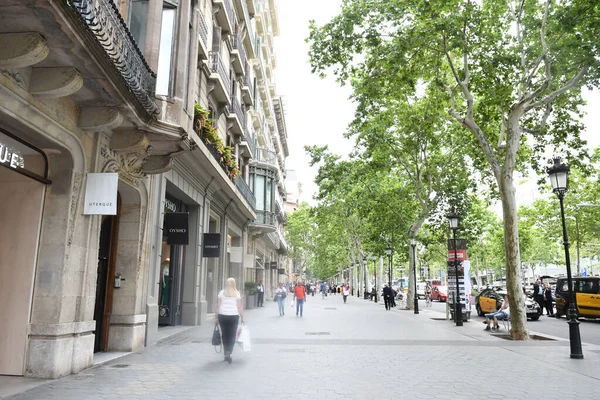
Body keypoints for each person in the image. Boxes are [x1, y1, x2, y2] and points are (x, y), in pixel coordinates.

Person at [216, 277, 245, 364]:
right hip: (233, 316)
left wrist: (216, 317)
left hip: (222, 315)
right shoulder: (237, 293)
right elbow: (239, 307)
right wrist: (243, 317)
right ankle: (229, 352)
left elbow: (218, 306)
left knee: (224, 335)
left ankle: (226, 353)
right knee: (232, 335)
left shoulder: (221, 293)